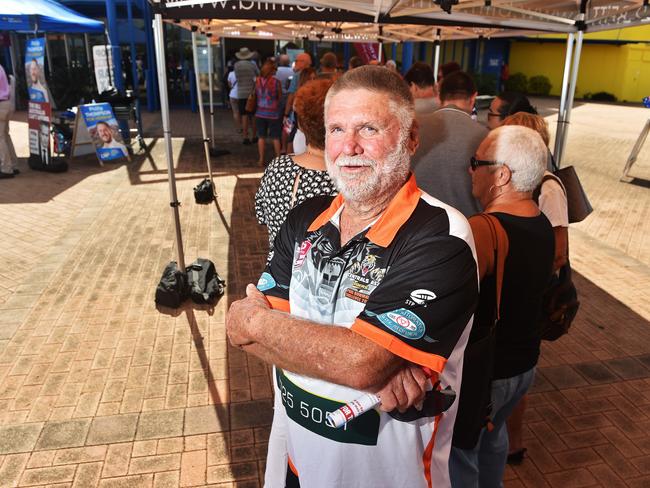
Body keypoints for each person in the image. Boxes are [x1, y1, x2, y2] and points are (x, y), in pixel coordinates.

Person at [227, 66, 478, 488]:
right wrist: (352, 361)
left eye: (369, 128)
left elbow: (360, 363)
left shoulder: (442, 235)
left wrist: (254, 321)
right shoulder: (305, 217)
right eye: (337, 128)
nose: (349, 146)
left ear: (411, 138)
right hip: (296, 463)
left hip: (385, 476)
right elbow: (245, 337)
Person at [449, 125, 554, 487]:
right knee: (494, 443)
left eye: (476, 161)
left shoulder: (483, 229)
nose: (470, 170)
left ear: (502, 175)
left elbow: (448, 303)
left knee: (460, 455)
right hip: (523, 365)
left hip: (487, 373)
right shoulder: (540, 220)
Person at [501, 112, 569, 465]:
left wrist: (523, 278)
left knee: (517, 370)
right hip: (514, 292)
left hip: (531, 295)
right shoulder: (508, 183)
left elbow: (559, 253)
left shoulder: (549, 187)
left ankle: (514, 441)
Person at [255, 78, 337, 259]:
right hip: (323, 283)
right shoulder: (344, 181)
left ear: (300, 124)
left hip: (276, 277)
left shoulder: (277, 167)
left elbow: (261, 215)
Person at [413, 71, 487, 217]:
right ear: (473, 98)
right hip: (468, 227)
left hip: (412, 223)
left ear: (439, 97)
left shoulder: (413, 129)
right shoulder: (486, 137)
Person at [254, 60, 283, 165]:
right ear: (272, 70)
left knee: (261, 137)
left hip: (260, 112)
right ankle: (278, 160)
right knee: (275, 137)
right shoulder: (276, 82)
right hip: (273, 113)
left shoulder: (257, 81)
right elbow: (280, 97)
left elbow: (255, 95)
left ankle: (261, 159)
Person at [283, 52, 312, 154]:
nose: (295, 63)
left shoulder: (297, 76)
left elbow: (291, 96)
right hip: (307, 115)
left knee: (292, 135)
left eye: (296, 61)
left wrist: (286, 113)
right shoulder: (315, 74)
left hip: (298, 115)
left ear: (304, 62)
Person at [234, 47, 259, 145]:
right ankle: (254, 136)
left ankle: (245, 137)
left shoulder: (236, 65)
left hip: (240, 93)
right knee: (253, 116)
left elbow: (236, 77)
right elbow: (258, 76)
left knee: (244, 115)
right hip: (251, 93)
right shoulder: (252, 65)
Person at [0, 63, 17, 179]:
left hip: (1, 104)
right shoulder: (1, 67)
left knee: (0, 138)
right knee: (5, 135)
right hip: (6, 104)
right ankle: (14, 165)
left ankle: (6, 168)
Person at [226, 61, 240, 130]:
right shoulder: (242, 74)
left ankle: (238, 128)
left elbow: (229, 85)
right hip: (241, 95)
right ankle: (244, 127)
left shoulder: (231, 74)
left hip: (233, 95)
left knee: (235, 112)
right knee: (243, 113)